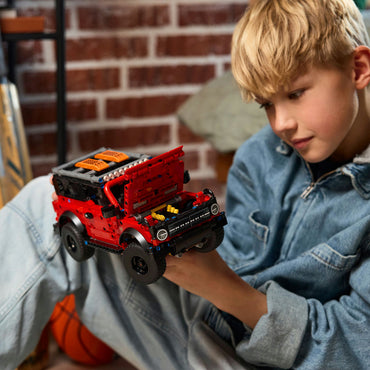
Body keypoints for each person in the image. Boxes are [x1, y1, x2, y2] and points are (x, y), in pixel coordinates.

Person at [1, 0, 370, 368]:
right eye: (266, 105)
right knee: (43, 201)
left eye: (295, 94)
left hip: (286, 358)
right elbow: (236, 260)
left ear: (358, 68)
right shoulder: (262, 154)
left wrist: (221, 287)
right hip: (208, 329)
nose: (281, 124)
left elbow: (354, 346)